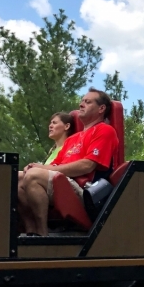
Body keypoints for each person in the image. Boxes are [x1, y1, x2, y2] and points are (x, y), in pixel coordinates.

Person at [18, 88, 119, 236]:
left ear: (101, 109)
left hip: (85, 191)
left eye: (88, 102)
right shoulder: (72, 139)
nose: (81, 104)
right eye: (82, 101)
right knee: (18, 177)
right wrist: (36, 166)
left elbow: (87, 165)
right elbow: (54, 165)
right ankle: (30, 231)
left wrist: (41, 169)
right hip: (62, 182)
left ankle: (42, 233)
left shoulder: (105, 130)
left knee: (34, 175)